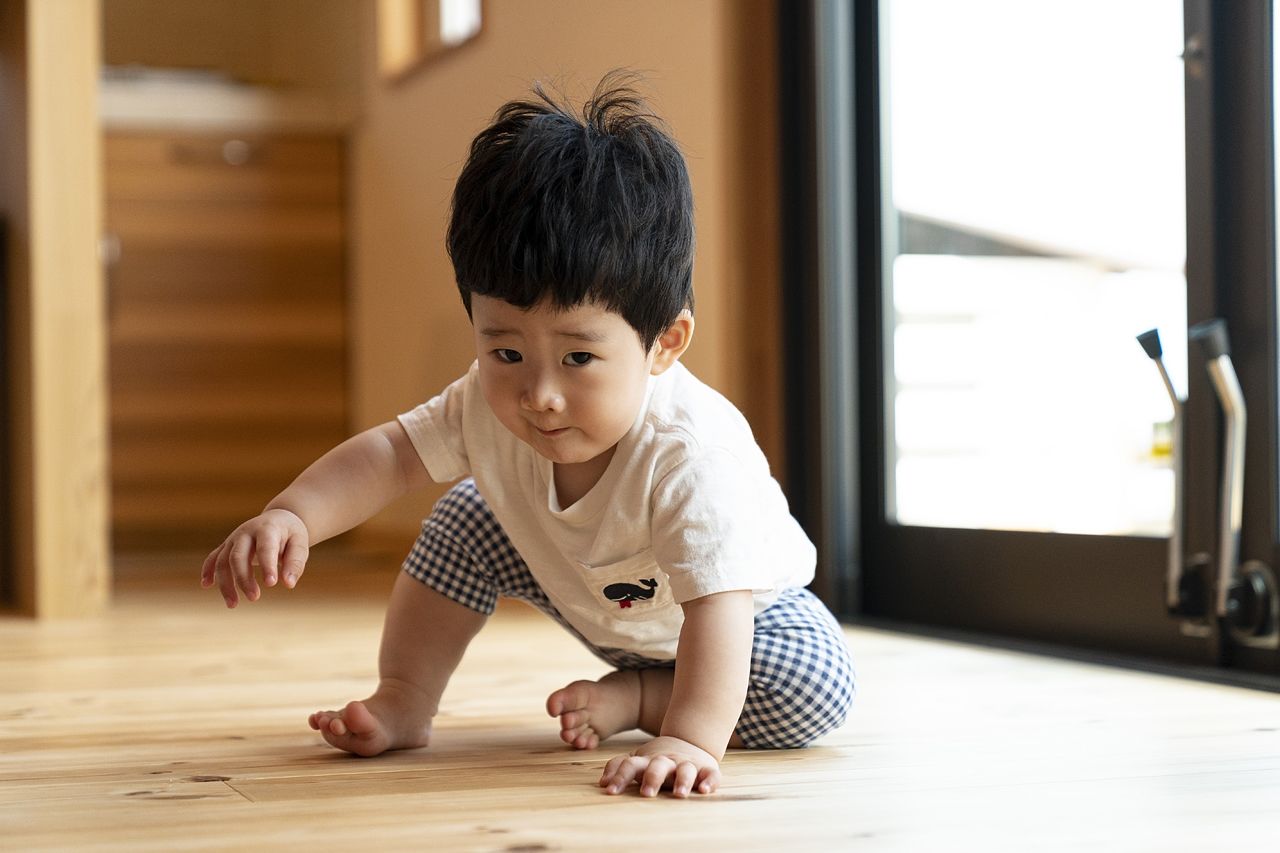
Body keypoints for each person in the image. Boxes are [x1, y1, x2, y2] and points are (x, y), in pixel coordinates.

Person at [200, 71, 855, 799]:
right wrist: (293, 512)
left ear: (664, 343)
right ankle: (404, 698)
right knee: (466, 514)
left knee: (815, 691)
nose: (538, 395)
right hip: (602, 602)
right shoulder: (489, 400)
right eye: (505, 350)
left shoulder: (690, 456)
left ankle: (641, 698)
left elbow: (718, 609)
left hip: (741, 624)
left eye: (579, 357)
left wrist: (687, 739)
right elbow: (390, 453)